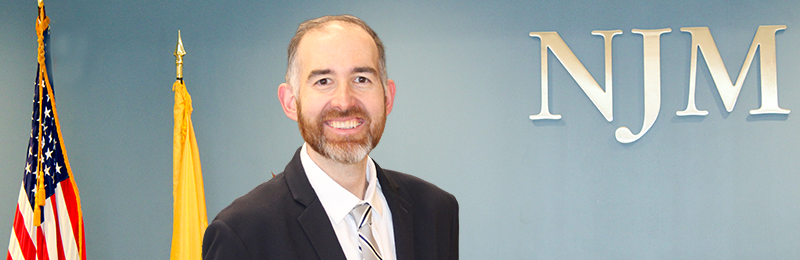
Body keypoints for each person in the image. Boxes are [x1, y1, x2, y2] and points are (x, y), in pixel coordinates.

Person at [201, 15, 459, 260]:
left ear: (387, 97)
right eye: (323, 81)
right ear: (291, 102)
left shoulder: (435, 210)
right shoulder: (242, 233)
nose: (344, 101)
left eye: (361, 79)